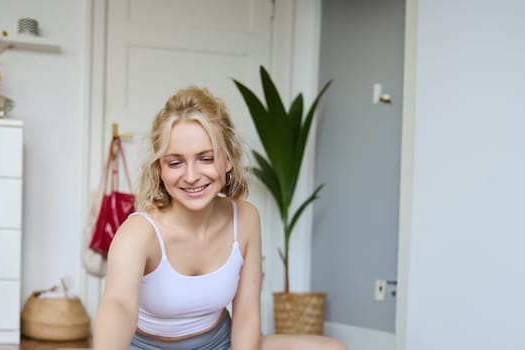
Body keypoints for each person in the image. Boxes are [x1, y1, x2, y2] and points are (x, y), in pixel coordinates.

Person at [93, 86, 345, 350]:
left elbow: (246, 315)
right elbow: (118, 307)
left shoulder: (245, 218)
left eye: (206, 158)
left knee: (331, 348)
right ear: (159, 169)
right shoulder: (138, 233)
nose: (191, 176)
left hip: (220, 344)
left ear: (228, 160)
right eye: (175, 162)